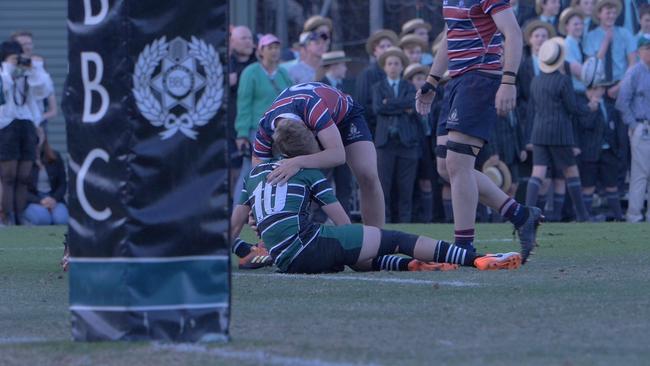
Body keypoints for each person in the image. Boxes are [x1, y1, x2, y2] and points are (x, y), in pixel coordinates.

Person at [232, 119, 522, 274]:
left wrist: (243, 247)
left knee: (353, 252)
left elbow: (234, 224)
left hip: (284, 260)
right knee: (391, 238)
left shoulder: (254, 174)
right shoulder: (307, 170)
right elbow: (344, 223)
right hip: (306, 247)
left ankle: (408, 264)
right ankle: (475, 259)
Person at [416, 0, 542, 262]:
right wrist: (431, 80)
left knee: (458, 164)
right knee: (445, 167)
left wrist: (509, 81)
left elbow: (513, 33)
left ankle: (463, 246)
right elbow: (451, 36)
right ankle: (520, 215)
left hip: (480, 79)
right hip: (457, 82)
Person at [252, 82, 385, 228]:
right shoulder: (264, 127)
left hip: (345, 117)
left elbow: (338, 155)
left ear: (309, 129)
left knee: (367, 175)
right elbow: (258, 175)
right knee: (280, 176)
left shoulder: (313, 108)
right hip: (309, 116)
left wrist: (298, 162)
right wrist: (255, 211)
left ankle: (377, 239)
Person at [524, 38, 598, 222]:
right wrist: (590, 107)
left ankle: (525, 215)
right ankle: (583, 215)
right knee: (571, 173)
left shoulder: (536, 81)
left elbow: (531, 111)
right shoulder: (564, 80)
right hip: (560, 134)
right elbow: (572, 108)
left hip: (539, 133)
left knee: (538, 173)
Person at [232, 34, 293, 207]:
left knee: (279, 169)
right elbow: (243, 104)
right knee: (250, 169)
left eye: (276, 47)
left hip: (281, 131)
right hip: (257, 130)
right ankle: (239, 209)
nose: (274, 51)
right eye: (269, 48)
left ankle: (272, 208)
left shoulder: (283, 73)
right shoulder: (251, 72)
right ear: (260, 51)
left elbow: (290, 99)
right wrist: (242, 134)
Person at [0, 41, 53, 225]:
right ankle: (7, 217)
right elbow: (4, 88)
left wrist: (35, 68)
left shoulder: (27, 72)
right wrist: (9, 67)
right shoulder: (3, 72)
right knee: (8, 176)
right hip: (6, 124)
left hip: (27, 123)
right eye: (14, 57)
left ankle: (20, 216)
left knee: (23, 176)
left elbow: (42, 90)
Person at [372, 47, 419, 223]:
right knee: (384, 186)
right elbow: (378, 108)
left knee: (405, 187)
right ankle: (385, 221)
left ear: (402, 67)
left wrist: (389, 103)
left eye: (396, 64)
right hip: (385, 143)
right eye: (390, 63)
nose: (393, 67)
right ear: (384, 67)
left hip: (406, 142)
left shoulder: (409, 86)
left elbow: (412, 106)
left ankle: (405, 222)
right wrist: (401, 107)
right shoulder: (377, 87)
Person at [615, 33, 650, 222]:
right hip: (642, 126)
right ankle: (635, 215)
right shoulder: (634, 71)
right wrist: (634, 125)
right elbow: (622, 102)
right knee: (640, 173)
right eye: (648, 48)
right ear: (640, 51)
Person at [318, 51, 354, 214]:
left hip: (345, 141)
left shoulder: (348, 85)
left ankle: (344, 223)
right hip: (323, 144)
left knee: (344, 183)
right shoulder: (319, 86)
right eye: (342, 64)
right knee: (321, 181)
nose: (346, 68)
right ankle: (316, 219)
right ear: (333, 66)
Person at [404, 63, 436, 222]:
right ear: (410, 81)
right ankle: (411, 217)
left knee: (427, 181)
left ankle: (427, 219)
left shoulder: (431, 97)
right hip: (412, 144)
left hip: (428, 144)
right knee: (409, 183)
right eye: (417, 78)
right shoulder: (407, 99)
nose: (421, 82)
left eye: (423, 78)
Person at [584, 0, 638, 94]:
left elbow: (633, 63)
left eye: (614, 13)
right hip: (599, 88)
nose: (612, 16)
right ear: (599, 14)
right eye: (608, 13)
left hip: (622, 85)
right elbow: (590, 68)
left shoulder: (625, 34)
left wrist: (620, 86)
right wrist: (606, 41)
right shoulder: (590, 37)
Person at [228, 25, 256, 197]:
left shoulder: (258, 66)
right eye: (243, 38)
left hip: (250, 126)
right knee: (232, 168)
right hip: (228, 127)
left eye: (250, 38)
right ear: (231, 42)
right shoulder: (225, 64)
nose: (248, 42)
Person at [355, 29, 399, 135]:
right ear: (375, 51)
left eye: (389, 46)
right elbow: (362, 105)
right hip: (376, 131)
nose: (386, 49)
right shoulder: (367, 74)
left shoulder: (399, 71)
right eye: (382, 46)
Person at [11, 31, 57, 131]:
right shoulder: (7, 69)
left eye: (29, 44)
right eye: (23, 44)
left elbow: (53, 109)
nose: (27, 47)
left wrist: (37, 119)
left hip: (35, 125)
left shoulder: (38, 67)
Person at [23, 127, 68, 225]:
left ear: (44, 137)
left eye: (40, 134)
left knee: (62, 220)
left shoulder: (55, 156)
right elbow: (21, 189)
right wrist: (40, 201)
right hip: (33, 200)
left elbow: (62, 184)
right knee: (43, 220)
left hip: (53, 198)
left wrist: (54, 199)